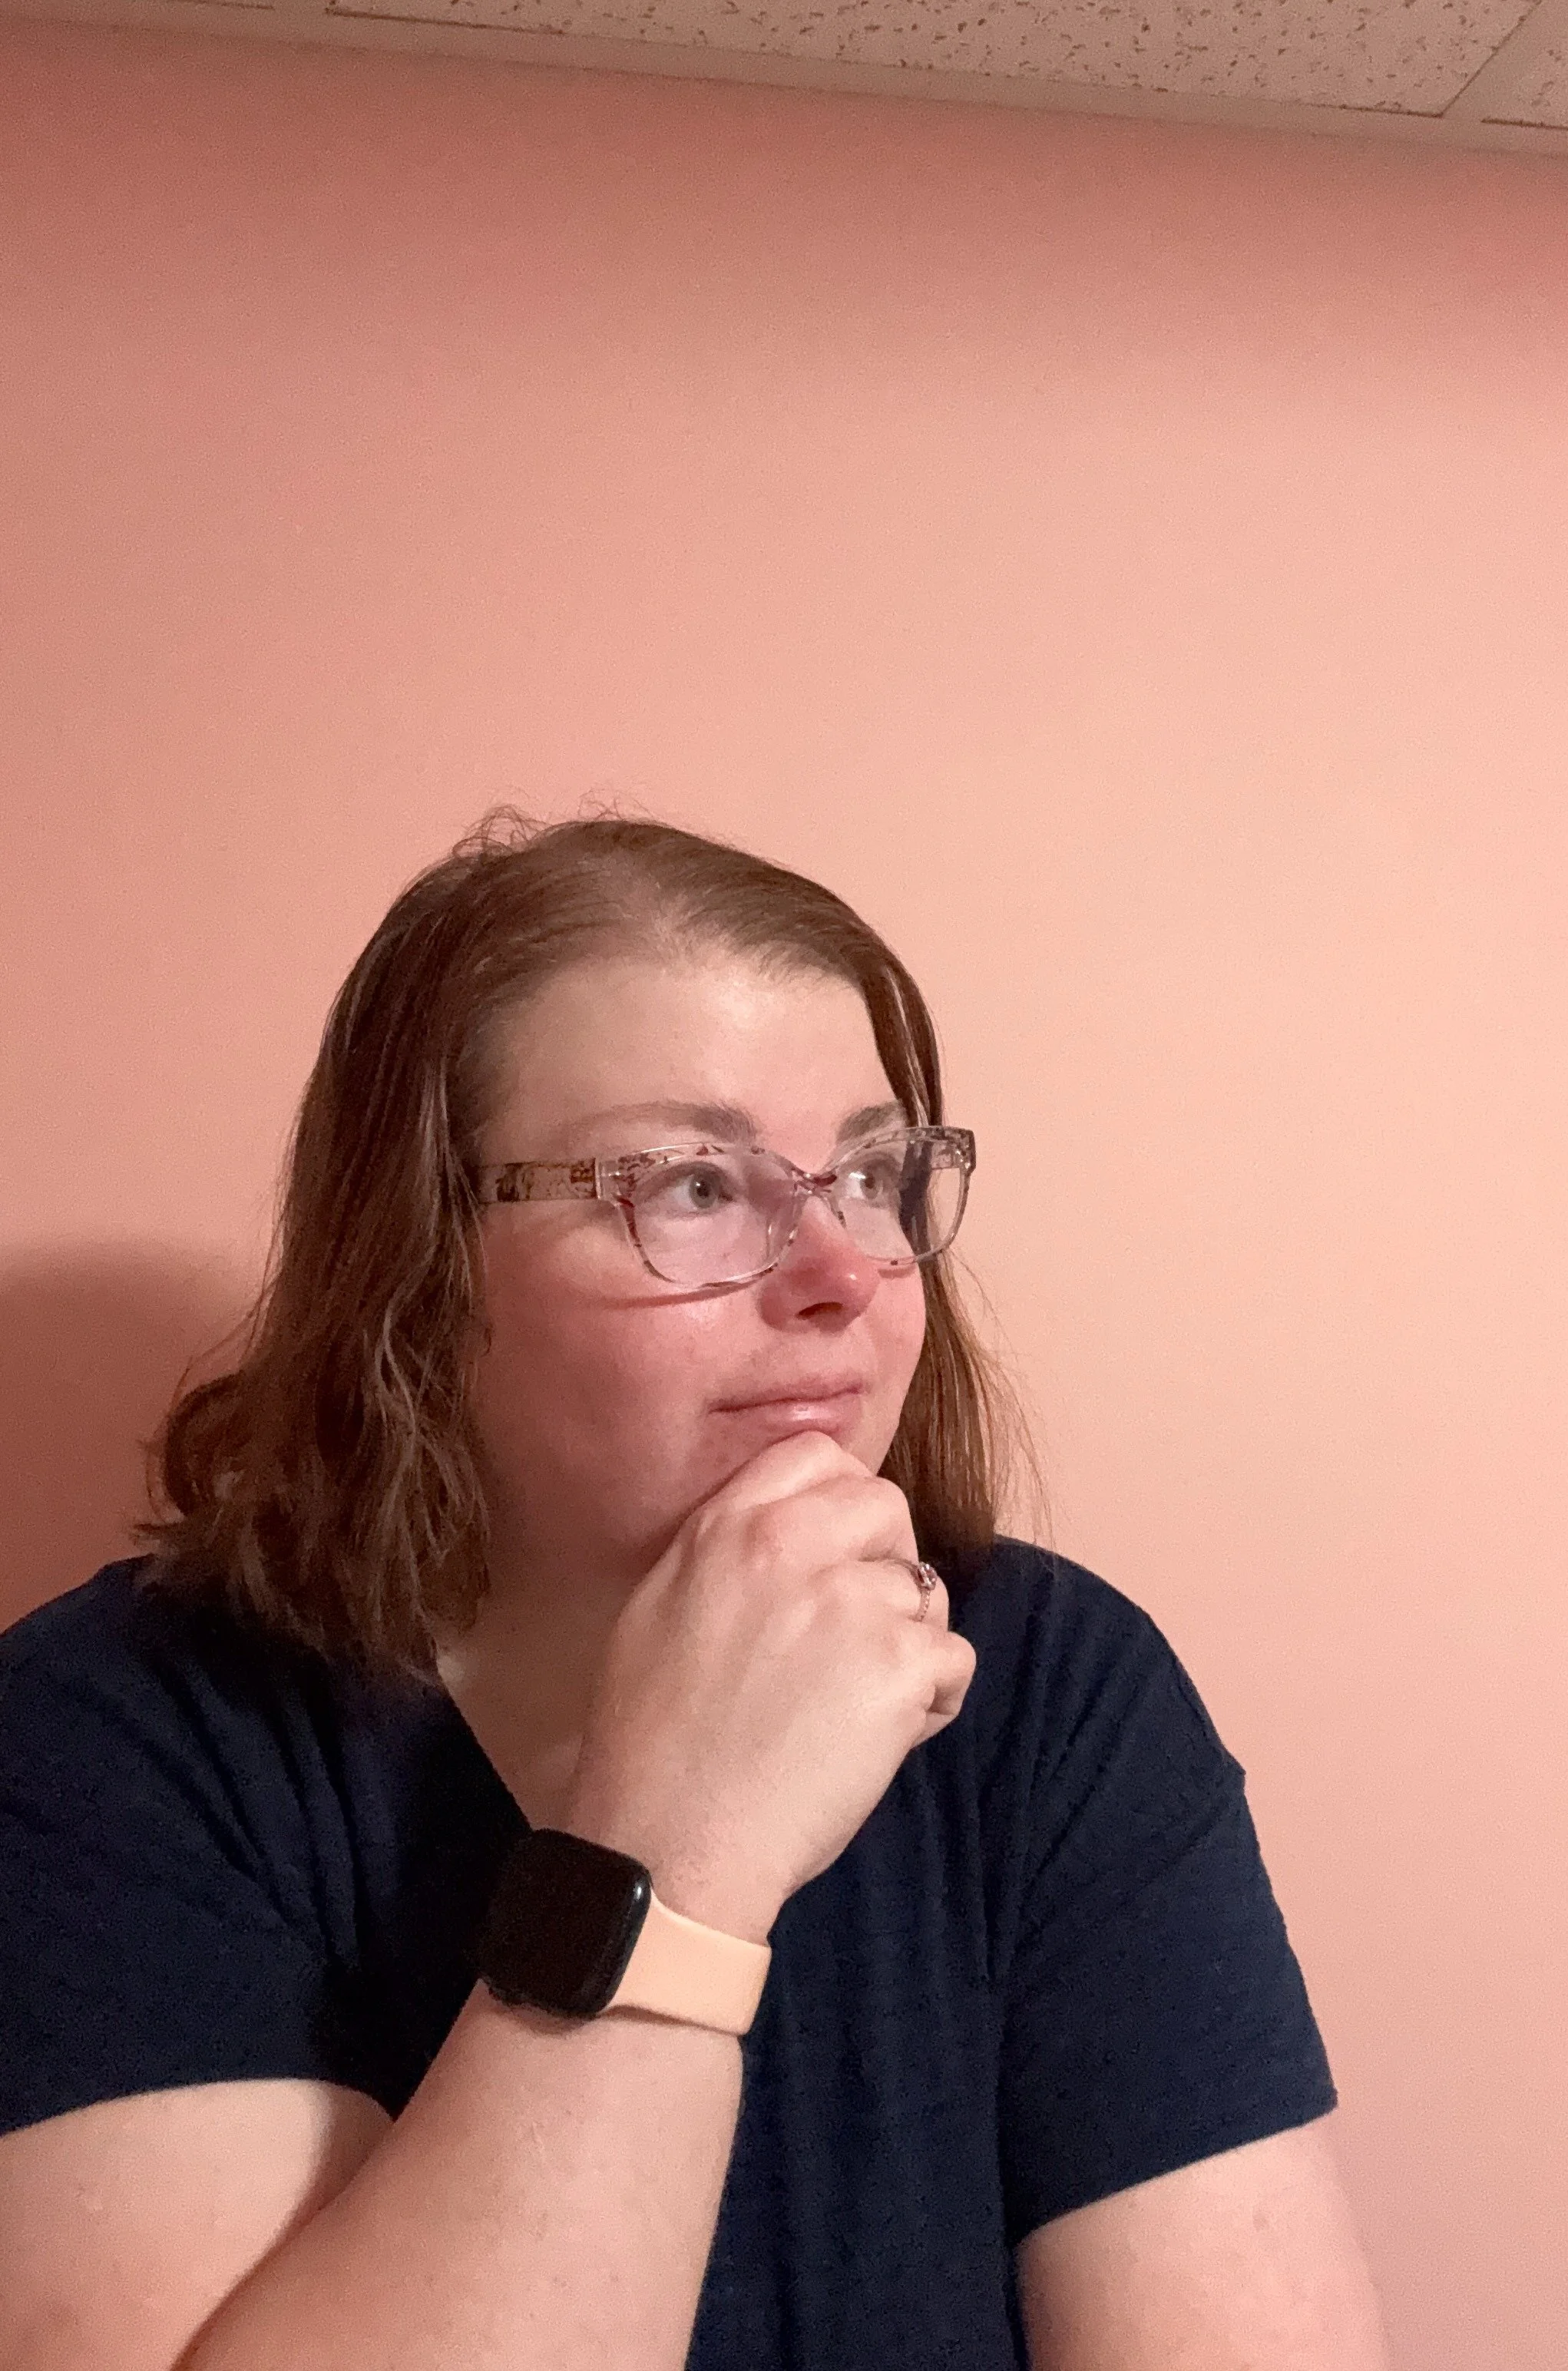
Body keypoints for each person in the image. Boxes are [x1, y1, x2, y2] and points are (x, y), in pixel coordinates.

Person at [0, 813, 1390, 2371]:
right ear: (423, 1261)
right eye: (694, 1185)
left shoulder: (1052, 1690)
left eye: (873, 1172)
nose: (842, 1273)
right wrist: (682, 1847)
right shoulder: (113, 1741)